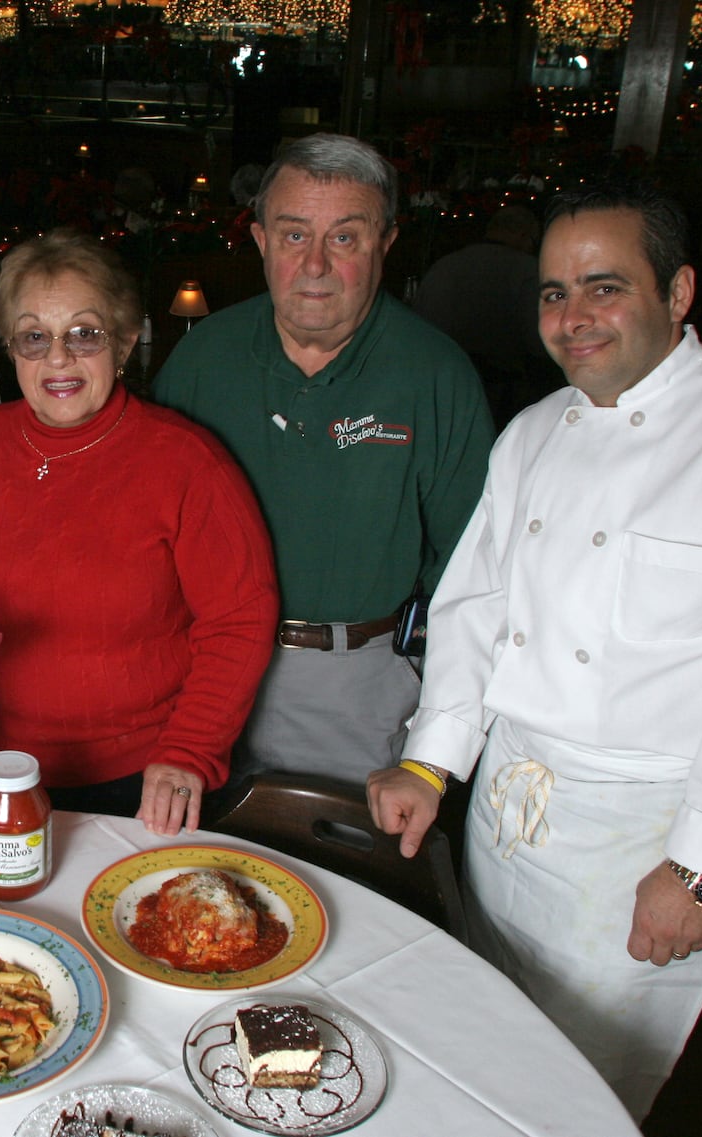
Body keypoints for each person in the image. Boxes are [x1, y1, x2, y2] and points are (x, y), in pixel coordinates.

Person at [367, 182, 702, 1120]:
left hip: (639, 851)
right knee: (488, 1053)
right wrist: (432, 761)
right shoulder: (533, 434)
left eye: (604, 286)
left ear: (678, 293)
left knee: (579, 1098)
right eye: (553, 292)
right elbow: (474, 613)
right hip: (505, 826)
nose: (573, 317)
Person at [153, 133, 494, 788]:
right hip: (201, 671)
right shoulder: (202, 359)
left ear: (385, 245)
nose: (314, 264)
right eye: (292, 236)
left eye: (344, 238)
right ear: (258, 241)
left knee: (344, 879)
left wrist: (432, 752)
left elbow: (473, 578)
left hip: (355, 689)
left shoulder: (437, 375)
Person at [0, 230, 279, 837]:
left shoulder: (185, 460)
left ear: (125, 340)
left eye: (84, 333)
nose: (58, 357)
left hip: (137, 784)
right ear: (11, 349)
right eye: (34, 336)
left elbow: (240, 618)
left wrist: (189, 750)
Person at [413, 204, 562, 427]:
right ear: (524, 235)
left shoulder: (444, 266)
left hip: (432, 390)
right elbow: (537, 343)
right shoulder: (527, 270)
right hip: (499, 397)